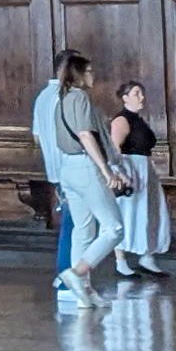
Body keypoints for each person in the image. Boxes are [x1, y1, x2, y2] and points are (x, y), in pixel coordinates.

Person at [30, 50, 127, 303]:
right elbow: (85, 136)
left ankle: (82, 294)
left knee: (83, 230)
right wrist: (107, 171)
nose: (93, 75)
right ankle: (77, 273)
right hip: (85, 167)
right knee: (114, 228)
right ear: (78, 73)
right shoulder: (79, 98)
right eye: (90, 70)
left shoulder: (58, 98)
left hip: (67, 170)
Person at [109, 77, 172, 280]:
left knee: (150, 211)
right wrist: (118, 173)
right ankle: (121, 262)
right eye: (136, 93)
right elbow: (114, 148)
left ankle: (147, 257)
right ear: (125, 97)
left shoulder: (139, 120)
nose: (141, 97)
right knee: (127, 213)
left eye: (141, 93)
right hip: (130, 168)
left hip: (144, 168)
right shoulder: (122, 120)